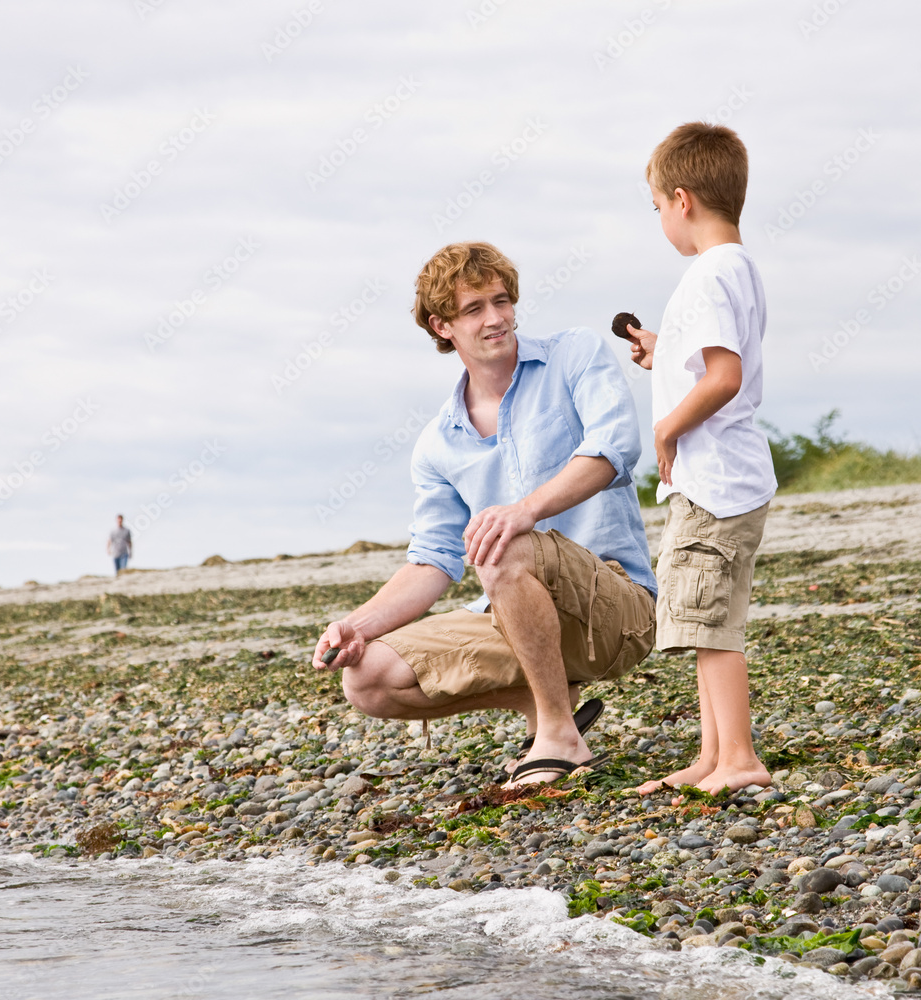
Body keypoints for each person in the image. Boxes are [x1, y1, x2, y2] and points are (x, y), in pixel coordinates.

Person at [313, 241, 657, 786]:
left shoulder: (575, 354)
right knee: (367, 680)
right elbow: (432, 562)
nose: (496, 319)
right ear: (441, 325)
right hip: (514, 615)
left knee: (503, 541)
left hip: (616, 609)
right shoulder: (437, 443)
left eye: (501, 301)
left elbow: (615, 449)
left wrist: (523, 512)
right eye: (474, 309)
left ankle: (560, 739)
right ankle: (549, 708)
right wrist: (356, 627)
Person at [621, 123, 777, 798]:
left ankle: (738, 757)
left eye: (656, 206)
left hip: (714, 481)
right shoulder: (733, 268)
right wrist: (664, 351)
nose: (660, 218)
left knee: (712, 623)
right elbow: (706, 362)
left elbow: (722, 377)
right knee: (707, 619)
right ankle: (714, 753)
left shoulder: (710, 273)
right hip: (725, 476)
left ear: (681, 199)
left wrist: (665, 430)